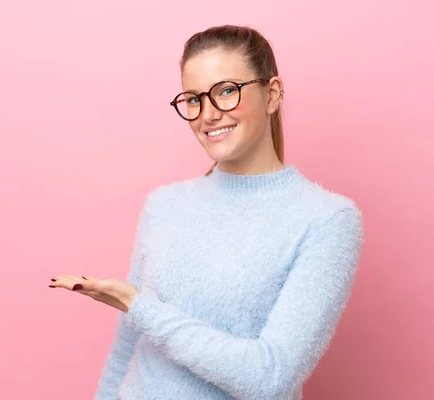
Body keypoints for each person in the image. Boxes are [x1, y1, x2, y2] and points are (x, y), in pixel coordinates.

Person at [49, 25, 364, 400]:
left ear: (273, 94)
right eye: (194, 99)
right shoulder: (164, 205)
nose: (208, 114)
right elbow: (126, 350)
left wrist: (139, 306)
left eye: (227, 91)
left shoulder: (327, 219)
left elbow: (270, 377)